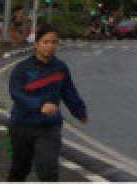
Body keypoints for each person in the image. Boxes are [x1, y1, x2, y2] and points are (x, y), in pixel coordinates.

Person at [8, 25, 87, 181]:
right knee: (20, 169)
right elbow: (17, 94)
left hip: (49, 126)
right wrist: (39, 106)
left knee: (48, 169)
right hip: (22, 125)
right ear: (36, 44)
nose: (50, 46)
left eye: (54, 42)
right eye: (46, 42)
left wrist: (80, 112)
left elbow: (69, 91)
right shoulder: (22, 69)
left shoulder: (60, 68)